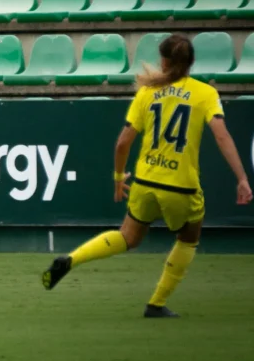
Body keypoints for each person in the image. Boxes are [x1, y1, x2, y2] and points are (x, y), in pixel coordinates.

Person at [42, 34, 252, 316]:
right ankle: (156, 304)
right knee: (188, 237)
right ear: (190, 62)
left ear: (163, 61)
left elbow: (122, 143)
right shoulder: (205, 93)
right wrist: (241, 177)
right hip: (181, 186)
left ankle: (70, 259)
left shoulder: (146, 92)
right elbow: (222, 136)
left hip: (145, 180)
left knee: (128, 236)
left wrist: (118, 178)